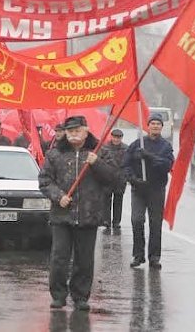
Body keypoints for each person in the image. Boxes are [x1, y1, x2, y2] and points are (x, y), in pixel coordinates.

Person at [39, 115, 120, 312]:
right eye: (70, 131)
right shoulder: (55, 154)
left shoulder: (99, 151)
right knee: (59, 258)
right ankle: (58, 295)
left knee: (84, 260)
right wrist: (58, 196)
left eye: (77, 130)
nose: (74, 134)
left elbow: (115, 179)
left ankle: (80, 296)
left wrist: (97, 163)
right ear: (65, 133)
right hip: (62, 216)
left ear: (86, 130)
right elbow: (44, 181)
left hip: (88, 215)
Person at [124, 113, 174, 270]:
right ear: (148, 125)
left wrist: (149, 157)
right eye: (152, 123)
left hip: (156, 190)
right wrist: (133, 179)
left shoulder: (165, 146)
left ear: (161, 127)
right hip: (138, 189)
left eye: (158, 124)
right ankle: (138, 255)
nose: (155, 126)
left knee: (155, 223)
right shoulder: (137, 144)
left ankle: (154, 257)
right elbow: (125, 165)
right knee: (137, 220)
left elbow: (167, 165)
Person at [102, 129, 128, 231]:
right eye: (115, 137)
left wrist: (126, 176)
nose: (116, 139)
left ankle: (116, 221)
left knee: (118, 200)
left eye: (119, 137)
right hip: (107, 178)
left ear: (121, 138)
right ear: (111, 137)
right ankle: (106, 220)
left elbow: (128, 163)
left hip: (120, 178)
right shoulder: (104, 148)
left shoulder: (126, 148)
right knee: (106, 200)